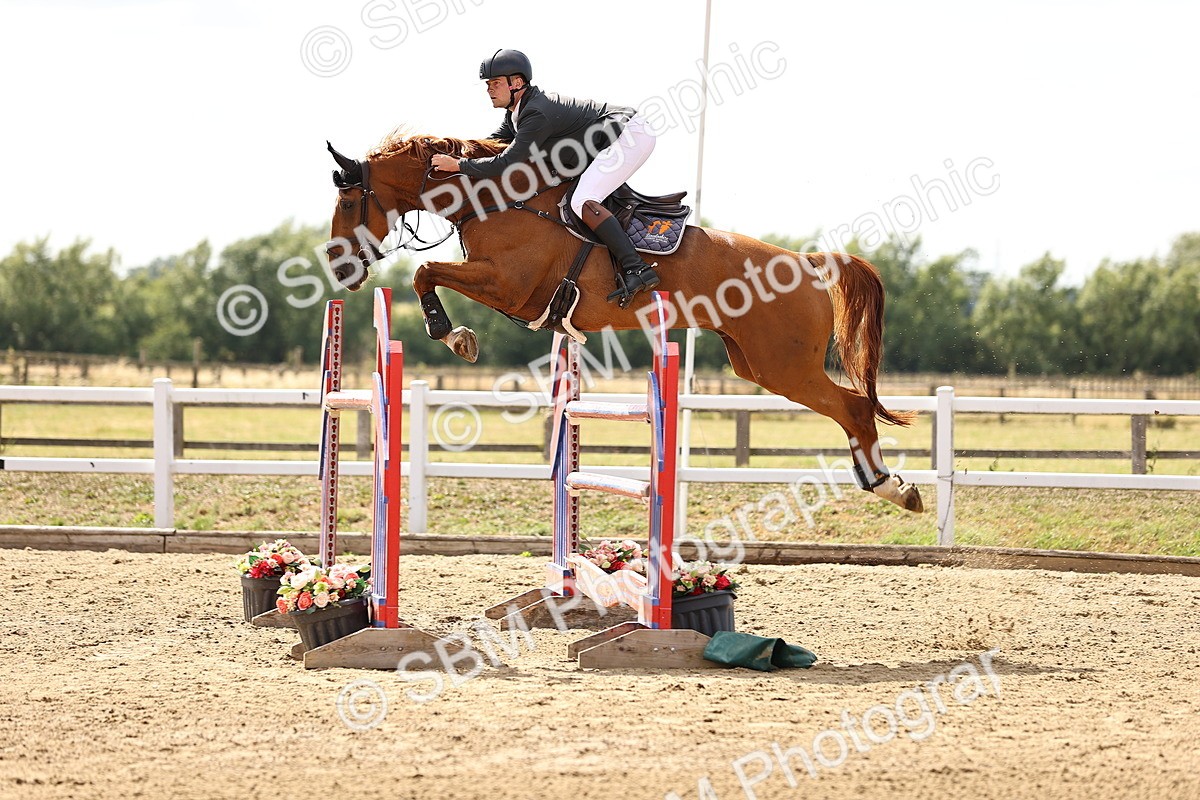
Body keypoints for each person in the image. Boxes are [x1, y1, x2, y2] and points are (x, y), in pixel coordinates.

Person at [431, 48, 661, 305]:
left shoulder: (535, 113)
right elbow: (491, 144)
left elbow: (507, 162)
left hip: (629, 136)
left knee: (581, 201)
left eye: (495, 83)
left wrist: (460, 166)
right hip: (610, 139)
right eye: (488, 84)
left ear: (516, 83)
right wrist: (453, 151)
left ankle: (637, 268)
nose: (489, 89)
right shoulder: (517, 114)